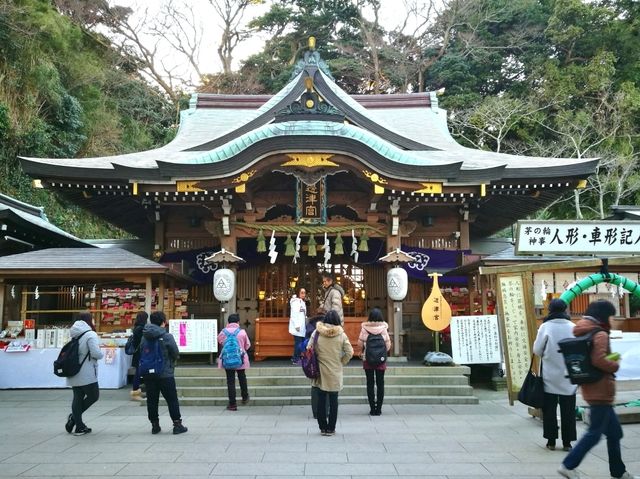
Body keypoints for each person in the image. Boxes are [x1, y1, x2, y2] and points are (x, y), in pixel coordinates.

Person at [558, 300, 638, 479]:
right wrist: (615, 365)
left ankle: (618, 471)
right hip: (601, 390)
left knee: (615, 433)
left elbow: (595, 357)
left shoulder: (584, 329)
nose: (612, 319)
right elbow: (599, 360)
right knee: (594, 433)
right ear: (603, 315)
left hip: (592, 386)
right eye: (610, 315)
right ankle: (568, 465)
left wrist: (613, 357)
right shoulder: (600, 333)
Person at [533, 298, 577, 451]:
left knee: (549, 409)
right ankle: (567, 442)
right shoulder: (573, 326)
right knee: (569, 409)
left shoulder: (545, 326)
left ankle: (551, 441)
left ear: (550, 309)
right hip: (569, 374)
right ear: (565, 309)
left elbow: (537, 350)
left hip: (549, 374)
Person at [141, 311, 187, 434]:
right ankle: (177, 425)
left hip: (149, 373)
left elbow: (141, 351)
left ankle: (155, 425)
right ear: (163, 321)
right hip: (165, 373)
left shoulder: (144, 336)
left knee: (151, 399)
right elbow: (175, 352)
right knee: (172, 399)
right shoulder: (167, 336)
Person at [308, 309, 353, 436]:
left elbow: (309, 348)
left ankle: (322, 427)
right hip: (335, 371)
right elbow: (350, 352)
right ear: (337, 321)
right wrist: (341, 362)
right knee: (334, 401)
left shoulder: (317, 333)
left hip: (320, 372)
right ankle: (331, 428)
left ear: (325, 320)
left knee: (321, 400)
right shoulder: (341, 335)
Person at [65, 311, 103, 436]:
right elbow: (96, 353)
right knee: (94, 396)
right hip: (87, 372)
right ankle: (75, 419)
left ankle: (79, 425)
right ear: (89, 320)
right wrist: (101, 353)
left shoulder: (74, 333)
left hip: (73, 370)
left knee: (77, 397)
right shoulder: (90, 334)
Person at [357, 307, 391, 416]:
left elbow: (359, 344)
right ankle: (379, 409)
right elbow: (388, 345)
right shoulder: (383, 328)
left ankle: (372, 409)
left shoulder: (365, 328)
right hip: (380, 360)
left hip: (368, 359)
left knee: (370, 383)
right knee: (380, 384)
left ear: (370, 317)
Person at [218, 313, 251, 411]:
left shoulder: (223, 332)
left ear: (228, 322)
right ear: (238, 322)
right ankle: (244, 397)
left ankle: (232, 404)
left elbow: (220, 342)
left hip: (228, 359)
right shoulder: (242, 332)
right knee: (242, 377)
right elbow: (247, 345)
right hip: (240, 358)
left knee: (230, 381)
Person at [130, 311, 148, 401]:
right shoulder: (141, 329)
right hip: (141, 353)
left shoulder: (136, 327)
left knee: (139, 372)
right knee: (138, 373)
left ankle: (138, 390)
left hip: (137, 353)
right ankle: (135, 391)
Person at [289, 287, 307, 364]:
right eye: (302, 292)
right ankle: (295, 359)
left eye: (304, 293)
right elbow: (294, 315)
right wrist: (296, 325)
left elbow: (303, 314)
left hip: (302, 327)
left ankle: (298, 357)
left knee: (301, 343)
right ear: (298, 293)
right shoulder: (296, 302)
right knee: (298, 344)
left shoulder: (302, 302)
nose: (303, 294)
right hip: (298, 327)